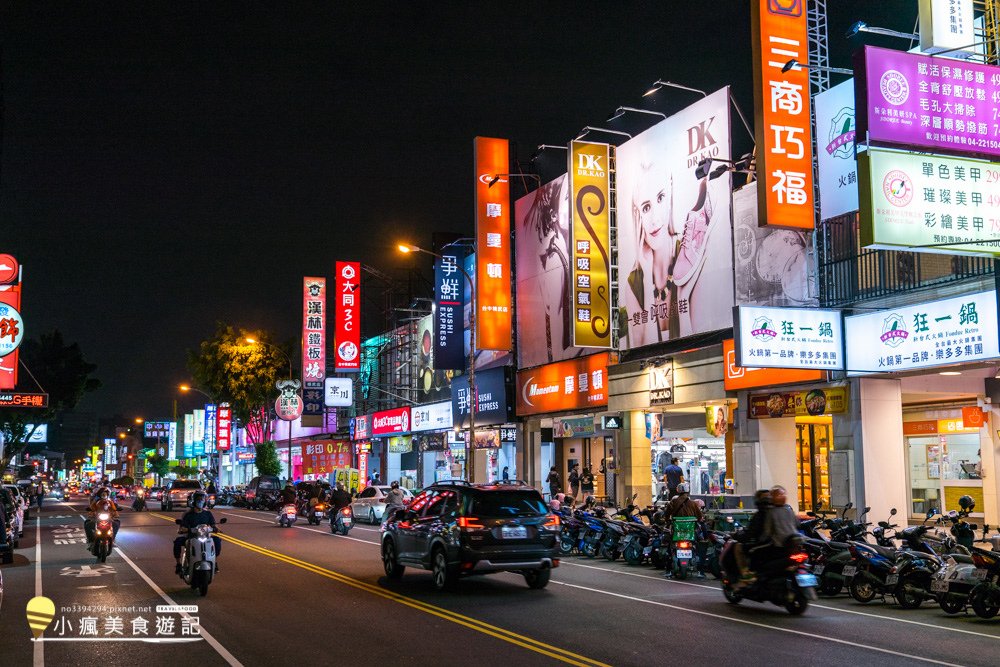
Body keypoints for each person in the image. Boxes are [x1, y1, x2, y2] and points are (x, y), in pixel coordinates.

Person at [174, 491, 221, 574]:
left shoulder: (207, 513)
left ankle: (215, 563)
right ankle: (179, 564)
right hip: (191, 537)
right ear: (193, 501)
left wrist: (216, 529)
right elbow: (182, 527)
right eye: (198, 499)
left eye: (202, 499)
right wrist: (183, 529)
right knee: (178, 542)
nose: (201, 501)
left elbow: (213, 524)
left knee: (217, 540)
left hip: (205, 537)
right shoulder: (188, 514)